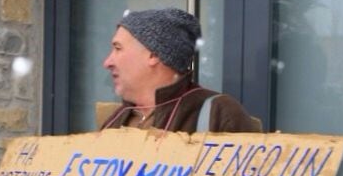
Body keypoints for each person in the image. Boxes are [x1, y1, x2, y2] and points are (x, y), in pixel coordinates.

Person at [101, 7, 261, 133]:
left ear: (153, 55)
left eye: (118, 48)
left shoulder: (218, 114)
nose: (107, 62)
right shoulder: (115, 121)